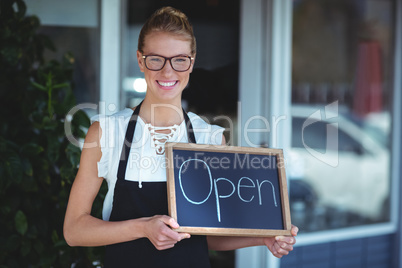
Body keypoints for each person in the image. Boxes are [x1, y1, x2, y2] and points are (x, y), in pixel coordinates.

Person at [63, 6, 298, 267]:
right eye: (156, 59)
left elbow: (206, 235)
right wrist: (143, 228)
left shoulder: (209, 138)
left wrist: (264, 238)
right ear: (140, 60)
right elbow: (74, 230)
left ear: (191, 63)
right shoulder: (107, 133)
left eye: (179, 59)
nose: (167, 72)